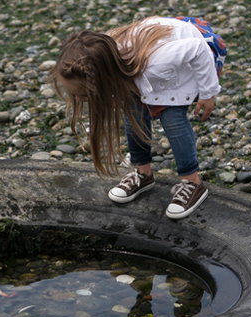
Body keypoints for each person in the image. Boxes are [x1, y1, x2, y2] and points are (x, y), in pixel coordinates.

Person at [49, 15, 222, 219]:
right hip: (141, 72)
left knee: (172, 119)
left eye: (83, 95)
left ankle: (192, 182)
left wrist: (207, 92)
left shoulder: (158, 60)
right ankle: (143, 173)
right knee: (133, 113)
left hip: (185, 65)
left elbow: (198, 49)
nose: (78, 99)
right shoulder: (97, 55)